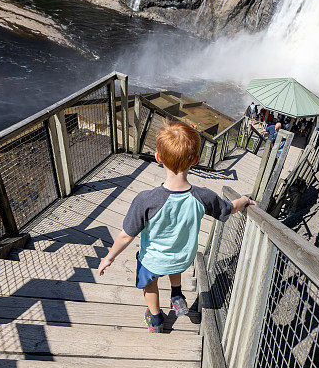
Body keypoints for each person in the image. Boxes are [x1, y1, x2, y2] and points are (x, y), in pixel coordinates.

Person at [97, 121, 254, 333]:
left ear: (158, 158)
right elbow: (229, 209)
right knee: (175, 260)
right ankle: (177, 293)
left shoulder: (146, 200)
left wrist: (109, 258)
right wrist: (243, 199)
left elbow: (126, 236)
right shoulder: (203, 196)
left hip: (154, 261)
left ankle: (156, 319)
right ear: (196, 160)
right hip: (183, 258)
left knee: (148, 281)